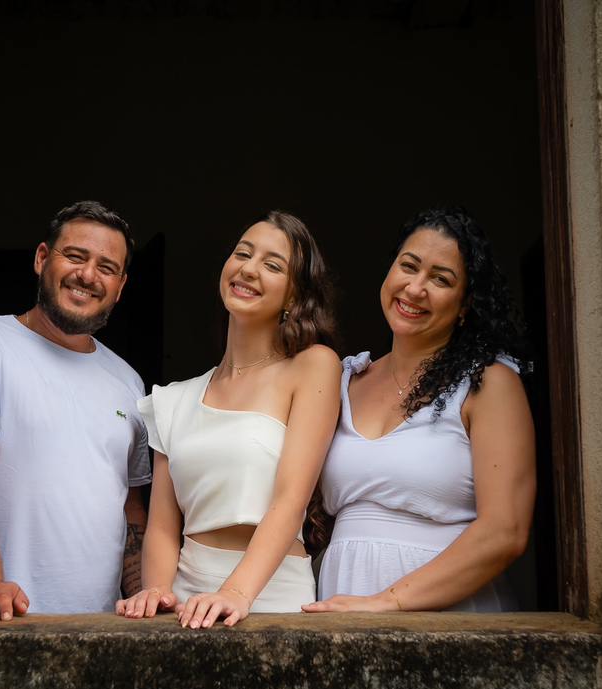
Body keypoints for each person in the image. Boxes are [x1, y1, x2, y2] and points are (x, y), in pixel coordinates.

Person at [302, 205, 534, 614]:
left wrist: (386, 601)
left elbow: (506, 531)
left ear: (465, 304)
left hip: (452, 616)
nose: (415, 288)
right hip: (342, 602)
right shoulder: (341, 380)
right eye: (408, 266)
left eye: (440, 279)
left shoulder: (488, 383)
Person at [116, 211, 340, 628]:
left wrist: (236, 592)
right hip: (185, 596)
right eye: (243, 253)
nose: (249, 269)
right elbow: (164, 526)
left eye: (272, 265)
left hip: (269, 590)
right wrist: (157, 592)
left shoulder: (313, 367)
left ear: (294, 296)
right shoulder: (173, 399)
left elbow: (291, 499)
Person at [0, 201, 151, 621]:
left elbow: (129, 504)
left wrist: (145, 596)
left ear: (120, 286)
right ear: (42, 259)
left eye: (106, 267)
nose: (87, 275)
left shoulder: (130, 382)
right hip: (6, 617)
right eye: (75, 256)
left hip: (103, 626)